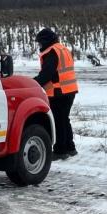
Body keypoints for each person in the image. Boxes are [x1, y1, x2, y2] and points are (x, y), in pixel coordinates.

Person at [33, 28, 79, 160]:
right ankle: (70, 147)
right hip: (69, 90)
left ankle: (60, 150)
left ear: (46, 41)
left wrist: (33, 83)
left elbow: (47, 74)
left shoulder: (51, 52)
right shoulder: (62, 48)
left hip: (58, 91)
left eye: (40, 43)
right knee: (64, 119)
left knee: (58, 120)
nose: (40, 46)